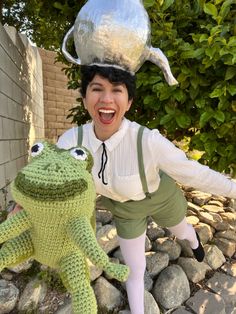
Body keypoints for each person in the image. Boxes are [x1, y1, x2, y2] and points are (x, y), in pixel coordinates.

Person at [56, 64, 236, 314]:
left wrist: (233, 188)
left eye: (117, 91)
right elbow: (45, 177)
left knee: (180, 229)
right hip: (124, 210)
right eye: (97, 89)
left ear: (128, 102)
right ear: (85, 98)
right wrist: (24, 206)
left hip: (160, 197)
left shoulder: (147, 141)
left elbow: (195, 173)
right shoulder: (71, 142)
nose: (106, 99)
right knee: (135, 268)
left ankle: (194, 241)